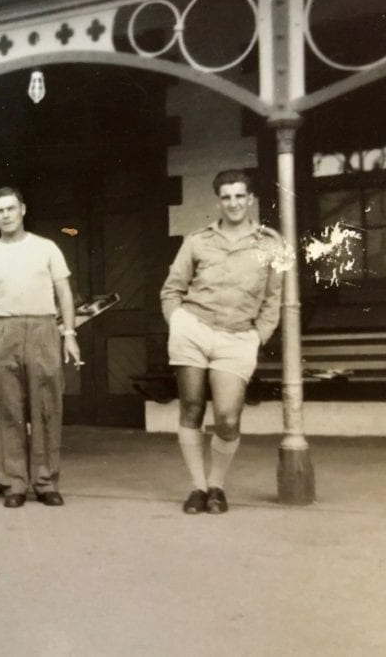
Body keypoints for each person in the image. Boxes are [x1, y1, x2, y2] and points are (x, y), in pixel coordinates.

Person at [160, 169, 284, 515]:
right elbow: (172, 289)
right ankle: (199, 487)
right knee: (192, 407)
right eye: (226, 197)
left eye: (239, 196)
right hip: (193, 331)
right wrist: (178, 323)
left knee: (228, 417)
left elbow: (274, 297)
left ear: (250, 199)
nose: (233, 203)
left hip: (238, 337)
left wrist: (258, 336)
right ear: (219, 201)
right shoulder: (197, 240)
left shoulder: (270, 243)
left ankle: (218, 483)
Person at [0, 186, 81, 508]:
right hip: (3, 329)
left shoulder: (46, 248)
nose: (5, 215)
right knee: (7, 410)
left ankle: (45, 481)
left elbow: (64, 294)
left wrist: (69, 333)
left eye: (10, 208)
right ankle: (14, 482)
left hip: (44, 328)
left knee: (46, 407)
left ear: (23, 209)